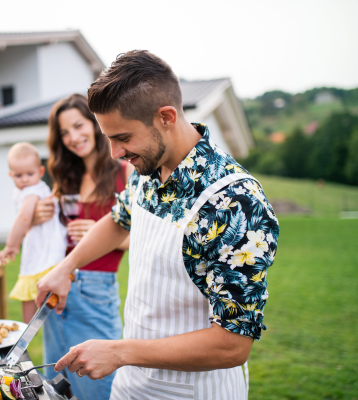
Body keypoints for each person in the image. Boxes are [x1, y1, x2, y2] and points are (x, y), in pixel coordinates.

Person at [36, 51, 279, 400]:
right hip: (133, 383)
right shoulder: (148, 168)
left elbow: (232, 344)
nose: (115, 153)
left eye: (122, 137)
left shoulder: (235, 203)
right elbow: (118, 220)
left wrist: (120, 352)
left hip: (195, 391)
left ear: (166, 116)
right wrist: (67, 266)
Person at [32, 94, 134, 400]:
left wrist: (98, 232)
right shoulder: (67, 178)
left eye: (78, 126)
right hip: (59, 288)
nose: (74, 137)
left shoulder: (124, 171)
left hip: (96, 291)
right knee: (55, 385)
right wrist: (38, 216)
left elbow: (143, 237)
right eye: (65, 132)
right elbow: (50, 231)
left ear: (94, 123)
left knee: (97, 386)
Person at [0, 142, 67, 323]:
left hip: (42, 248)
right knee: (34, 286)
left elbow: (23, 218)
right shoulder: (36, 188)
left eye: (30, 174)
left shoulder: (32, 191)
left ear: (41, 172)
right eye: (19, 175)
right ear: (10, 175)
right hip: (46, 245)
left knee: (30, 285)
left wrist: (10, 245)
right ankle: (30, 327)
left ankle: (26, 328)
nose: (25, 179)